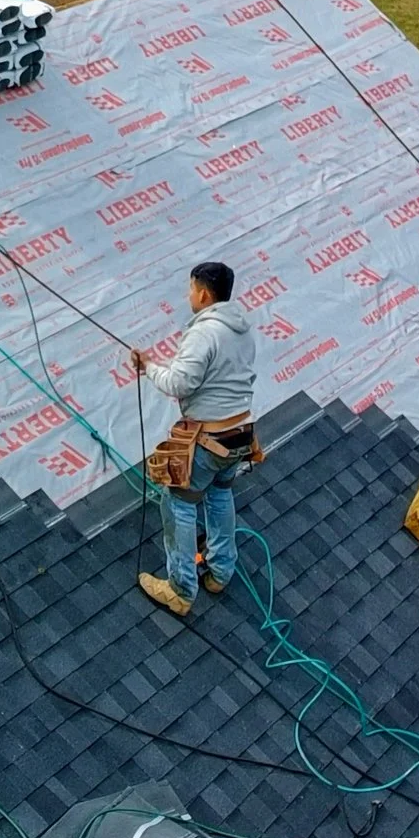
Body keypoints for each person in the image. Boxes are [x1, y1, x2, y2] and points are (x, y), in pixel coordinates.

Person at [130, 261, 259, 617]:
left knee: (178, 502)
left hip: (209, 439)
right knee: (219, 493)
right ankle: (220, 571)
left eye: (190, 289)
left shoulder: (204, 333)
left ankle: (181, 590)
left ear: (203, 294)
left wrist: (149, 367)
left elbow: (180, 384)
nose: (189, 295)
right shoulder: (242, 329)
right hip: (241, 434)